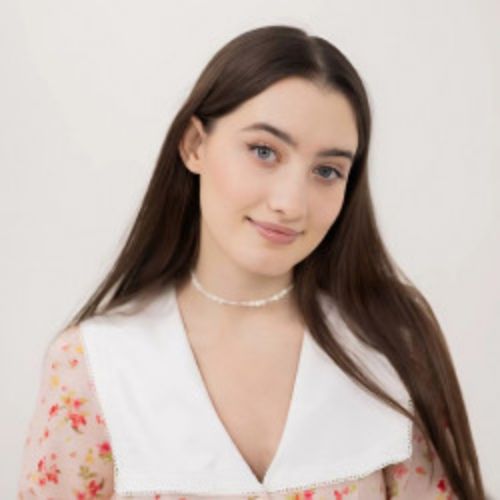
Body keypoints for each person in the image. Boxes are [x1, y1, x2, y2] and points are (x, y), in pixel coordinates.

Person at [17, 25, 485, 499]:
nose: (291, 203)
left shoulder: (390, 339)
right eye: (264, 151)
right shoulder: (93, 365)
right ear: (194, 145)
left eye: (327, 171)